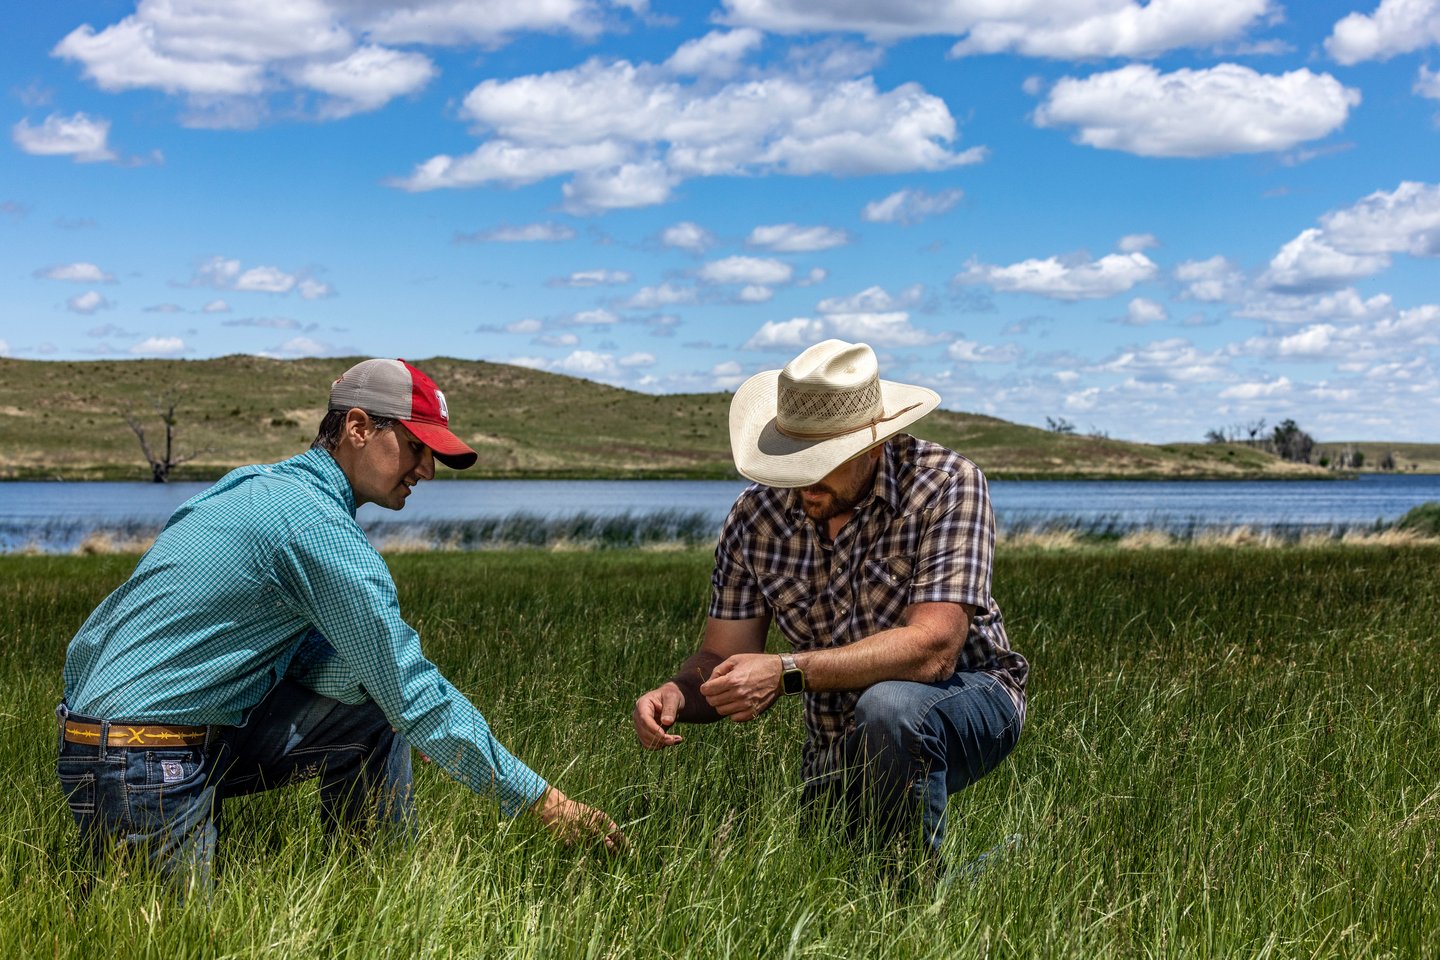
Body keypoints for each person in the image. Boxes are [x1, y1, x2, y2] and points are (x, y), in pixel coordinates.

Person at [57, 358, 620, 892]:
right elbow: (414, 692)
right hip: (148, 759)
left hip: (95, 745)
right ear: (357, 427)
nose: (425, 470)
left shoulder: (248, 489)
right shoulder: (319, 531)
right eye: (416, 447)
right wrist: (544, 802)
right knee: (182, 944)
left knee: (379, 711)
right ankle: (384, 898)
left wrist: (396, 708)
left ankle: (371, 900)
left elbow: (296, 657)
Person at [633, 340, 1026, 863]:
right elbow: (719, 657)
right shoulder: (755, 518)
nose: (804, 481)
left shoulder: (945, 484)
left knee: (890, 710)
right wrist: (679, 693)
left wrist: (786, 671)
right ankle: (988, 871)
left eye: (821, 462)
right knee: (831, 879)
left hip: (966, 696)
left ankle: (913, 909)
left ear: (871, 446)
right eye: (792, 461)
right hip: (835, 733)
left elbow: (934, 650)